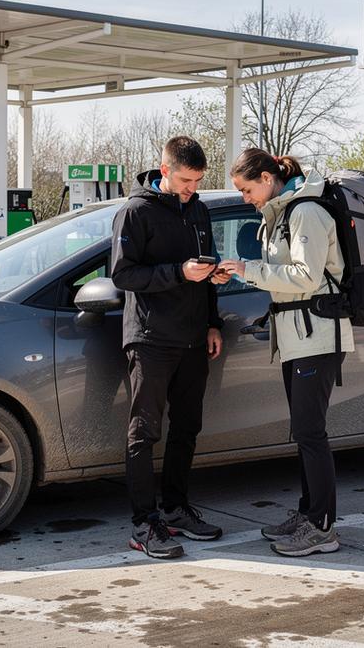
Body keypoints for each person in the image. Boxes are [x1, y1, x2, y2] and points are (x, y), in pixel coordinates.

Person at [216, 148, 354, 557]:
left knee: (311, 432)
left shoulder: (306, 212)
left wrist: (248, 270)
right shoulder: (282, 213)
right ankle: (308, 513)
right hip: (298, 337)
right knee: (304, 432)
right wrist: (245, 270)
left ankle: (322, 528)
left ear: (266, 178)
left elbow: (306, 276)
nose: (245, 198)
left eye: (246, 190)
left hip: (317, 336)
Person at [110, 135, 225, 559]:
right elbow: (123, 275)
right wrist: (178, 272)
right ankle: (144, 523)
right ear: (165, 171)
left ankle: (176, 509)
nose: (191, 189)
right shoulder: (135, 212)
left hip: (194, 338)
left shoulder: (198, 210)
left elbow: (204, 270)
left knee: (187, 427)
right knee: (144, 431)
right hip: (151, 339)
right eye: (185, 180)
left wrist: (212, 320)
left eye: (197, 181)